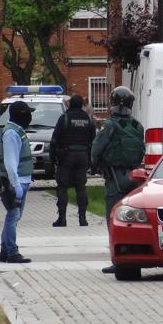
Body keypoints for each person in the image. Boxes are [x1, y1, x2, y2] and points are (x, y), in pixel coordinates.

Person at [91, 86, 145, 274]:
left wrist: (95, 164)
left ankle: (118, 259)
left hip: (114, 177)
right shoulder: (138, 126)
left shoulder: (110, 125)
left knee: (113, 218)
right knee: (132, 218)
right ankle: (134, 255)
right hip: (134, 177)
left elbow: (97, 149)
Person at [49, 95, 96, 227]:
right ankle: (83, 219)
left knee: (62, 188)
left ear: (70, 105)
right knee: (81, 187)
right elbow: (93, 141)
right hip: (82, 157)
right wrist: (92, 162)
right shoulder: (88, 119)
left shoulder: (64, 118)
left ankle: (62, 219)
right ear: (81, 105)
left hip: (66, 157)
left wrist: (53, 158)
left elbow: (54, 140)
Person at [0, 101, 33, 263]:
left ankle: (5, 251)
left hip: (20, 180)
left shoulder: (17, 131)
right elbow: (10, 163)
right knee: (13, 216)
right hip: (14, 182)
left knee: (14, 216)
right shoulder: (11, 133)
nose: (30, 117)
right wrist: (16, 184)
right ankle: (12, 252)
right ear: (21, 115)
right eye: (28, 113)